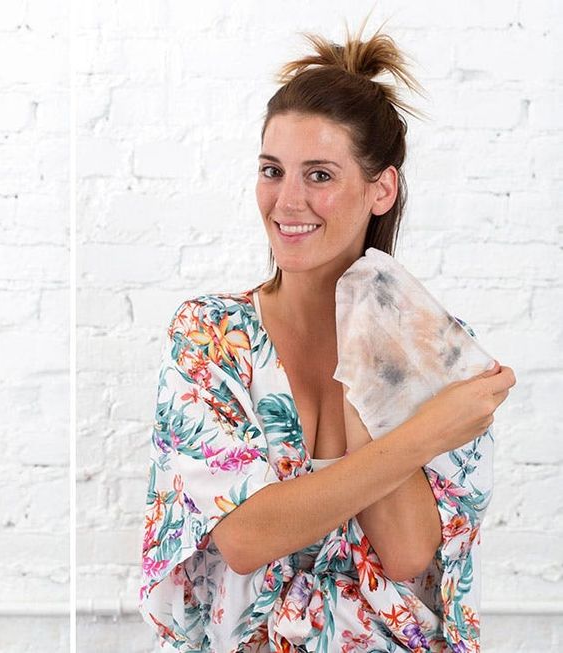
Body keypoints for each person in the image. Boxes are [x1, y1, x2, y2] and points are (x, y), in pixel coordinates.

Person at [139, 28, 515, 652]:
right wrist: (428, 431)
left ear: (381, 189)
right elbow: (244, 537)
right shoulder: (212, 337)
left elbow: (406, 551)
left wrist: (370, 335)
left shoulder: (434, 348)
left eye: (319, 175)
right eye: (272, 171)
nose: (287, 201)